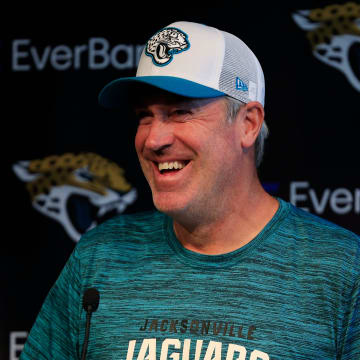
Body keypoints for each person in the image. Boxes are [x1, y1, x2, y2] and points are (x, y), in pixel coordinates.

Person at [20, 21, 359, 360]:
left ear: (248, 124)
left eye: (180, 112)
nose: (153, 140)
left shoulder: (342, 269)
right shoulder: (100, 255)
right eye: (144, 116)